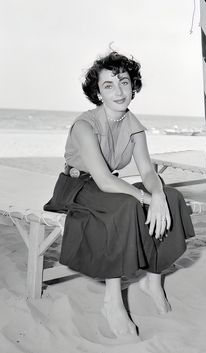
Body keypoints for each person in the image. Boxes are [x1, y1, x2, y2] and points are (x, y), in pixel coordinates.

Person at [44, 51, 195, 338]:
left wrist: (159, 196)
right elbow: (102, 179)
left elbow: (148, 173)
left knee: (172, 197)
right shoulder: (85, 125)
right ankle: (113, 301)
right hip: (77, 186)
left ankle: (153, 279)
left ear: (133, 86)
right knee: (127, 205)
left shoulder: (134, 126)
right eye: (109, 85)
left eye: (124, 82)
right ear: (98, 93)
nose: (118, 91)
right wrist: (147, 199)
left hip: (107, 186)